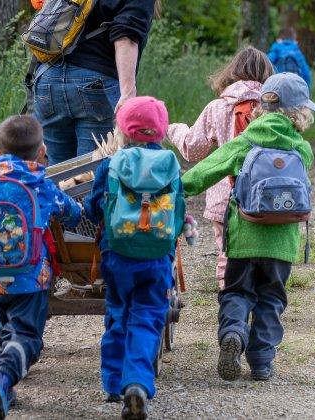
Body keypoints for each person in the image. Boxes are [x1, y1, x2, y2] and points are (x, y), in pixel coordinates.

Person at [181, 73, 315, 382]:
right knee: (271, 299)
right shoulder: (302, 149)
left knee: (237, 292)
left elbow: (206, 170)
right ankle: (261, 361)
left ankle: (233, 334)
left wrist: (173, 188)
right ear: (300, 112)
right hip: (282, 244)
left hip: (244, 238)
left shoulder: (246, 142)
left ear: (260, 108)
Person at [0, 115, 83, 420]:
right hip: (30, 277)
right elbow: (71, 213)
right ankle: (3, 380)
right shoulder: (41, 184)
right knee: (26, 335)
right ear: (42, 150)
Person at [84, 97, 188, 420]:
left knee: (117, 314)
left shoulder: (110, 164)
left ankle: (113, 383)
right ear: (160, 132)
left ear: (123, 133)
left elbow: (92, 207)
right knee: (146, 318)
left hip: (117, 255)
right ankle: (138, 384)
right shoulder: (170, 164)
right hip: (157, 257)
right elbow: (180, 213)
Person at [167, 47, 273, 289]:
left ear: (231, 72)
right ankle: (261, 297)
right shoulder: (272, 108)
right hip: (266, 193)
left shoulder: (217, 107)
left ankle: (231, 303)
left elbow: (192, 149)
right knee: (261, 250)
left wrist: (173, 128)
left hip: (225, 196)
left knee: (228, 250)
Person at [26, 0, 158, 165]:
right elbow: (126, 37)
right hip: (95, 85)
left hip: (48, 80)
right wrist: (128, 94)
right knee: (92, 173)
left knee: (58, 173)